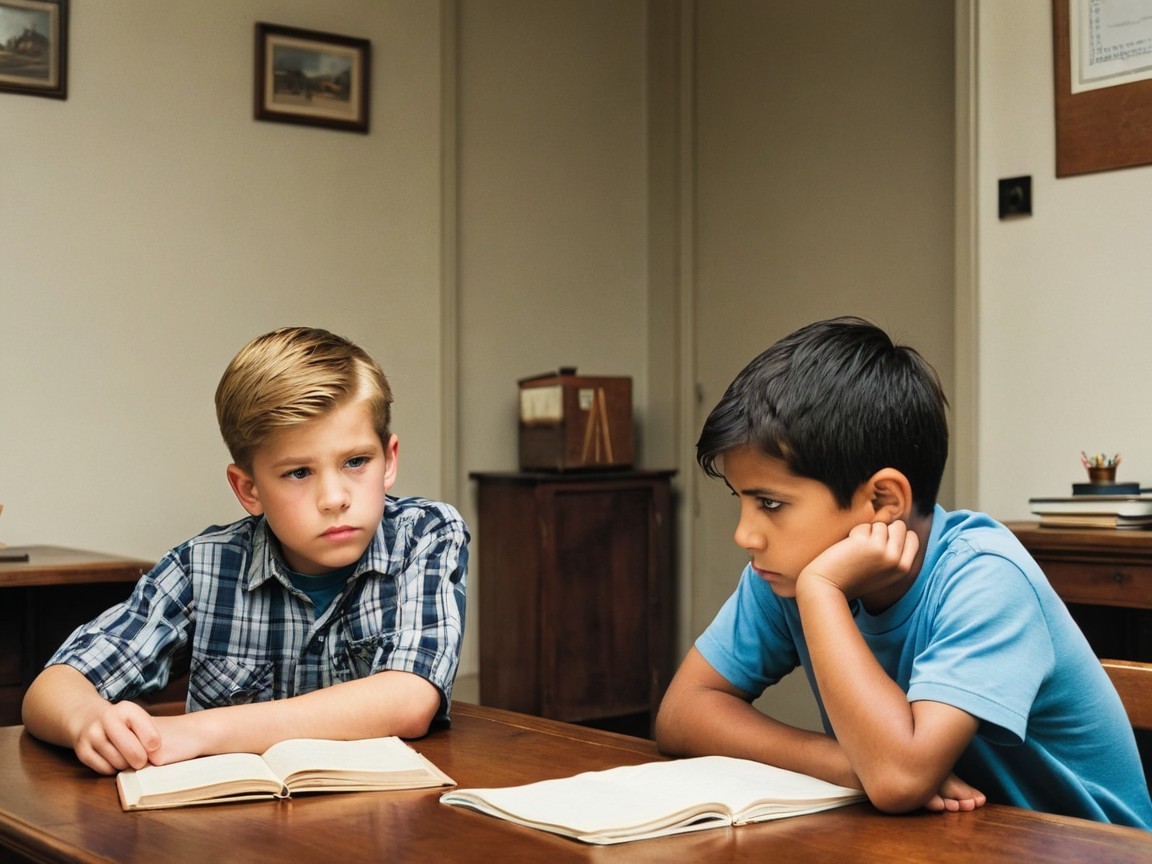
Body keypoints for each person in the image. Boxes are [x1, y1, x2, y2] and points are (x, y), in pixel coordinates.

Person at [654, 316, 1152, 829]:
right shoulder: (781, 570)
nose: (746, 535)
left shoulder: (985, 577)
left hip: (1091, 848)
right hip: (951, 840)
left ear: (882, 499)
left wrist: (821, 591)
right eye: (742, 500)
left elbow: (897, 780)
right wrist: (848, 765)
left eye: (771, 503)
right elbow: (682, 712)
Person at [22, 326, 469, 776]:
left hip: (385, 829)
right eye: (298, 472)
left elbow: (410, 699)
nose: (334, 497)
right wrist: (88, 721)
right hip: (235, 831)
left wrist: (199, 731)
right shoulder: (203, 567)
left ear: (389, 460)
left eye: (355, 462)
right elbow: (51, 688)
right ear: (248, 488)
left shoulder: (426, 535)